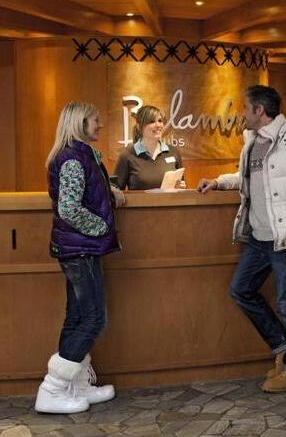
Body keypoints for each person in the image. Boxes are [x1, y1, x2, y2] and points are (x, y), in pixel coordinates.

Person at [198, 85, 286, 393]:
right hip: (258, 236)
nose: (242, 114)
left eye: (245, 108)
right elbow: (248, 178)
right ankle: (283, 347)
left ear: (259, 110)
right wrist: (218, 182)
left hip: (283, 237)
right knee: (241, 290)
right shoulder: (252, 141)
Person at [35, 101, 125, 414]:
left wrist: (111, 192)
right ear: (80, 123)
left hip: (80, 248)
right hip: (81, 249)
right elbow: (69, 208)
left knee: (77, 317)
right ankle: (53, 388)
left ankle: (77, 384)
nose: (100, 124)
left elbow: (87, 192)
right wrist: (100, 228)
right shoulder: (73, 158)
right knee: (93, 318)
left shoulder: (82, 155)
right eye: (95, 120)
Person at [113, 105, 184, 190]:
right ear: (139, 126)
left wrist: (181, 187)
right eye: (152, 121)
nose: (158, 125)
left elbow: (181, 185)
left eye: (160, 121)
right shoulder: (127, 155)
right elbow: (116, 191)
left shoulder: (173, 152)